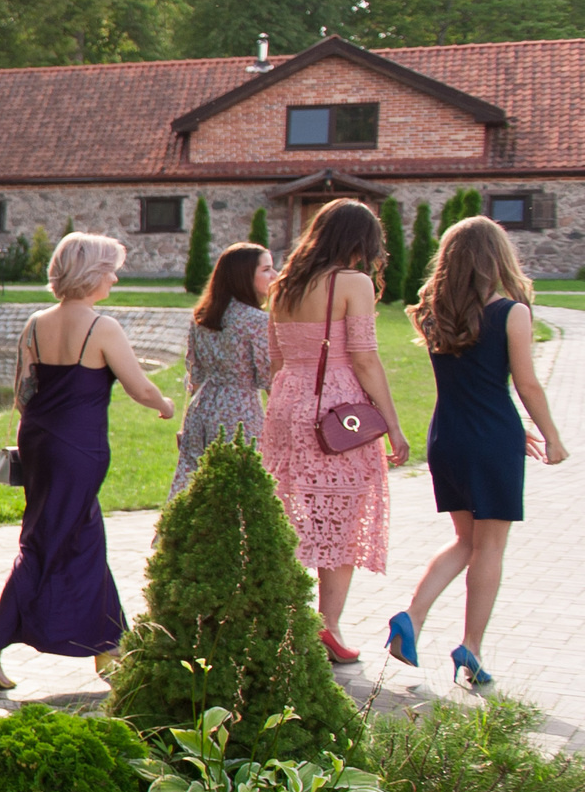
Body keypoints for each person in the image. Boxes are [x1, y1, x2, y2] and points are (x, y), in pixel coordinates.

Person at [0, 233, 174, 692]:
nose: (116, 277)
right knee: (48, 542)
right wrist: (164, 404)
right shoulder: (102, 327)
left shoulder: (35, 324)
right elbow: (139, 387)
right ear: (90, 274)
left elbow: (23, 392)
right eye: (110, 269)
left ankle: (109, 647)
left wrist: (43, 433)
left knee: (81, 537)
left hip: (41, 441)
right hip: (78, 450)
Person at [386, 217, 569, 689]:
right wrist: (551, 435)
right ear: (497, 258)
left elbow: (468, 384)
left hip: (447, 437)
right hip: (491, 438)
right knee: (489, 545)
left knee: (465, 541)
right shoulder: (512, 312)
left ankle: (411, 616)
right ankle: (471, 646)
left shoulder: (430, 313)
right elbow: (525, 384)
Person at [261, 199, 408, 662]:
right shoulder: (352, 283)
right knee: (340, 517)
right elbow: (363, 357)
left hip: (287, 402)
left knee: (292, 510)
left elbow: (276, 360)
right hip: (337, 408)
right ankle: (330, 626)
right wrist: (392, 426)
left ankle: (286, 617)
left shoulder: (283, 284)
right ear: (359, 241)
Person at [170, 242, 276, 499]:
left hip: (202, 409)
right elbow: (267, 378)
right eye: (267, 269)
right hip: (240, 410)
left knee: (194, 487)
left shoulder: (203, 316)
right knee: (238, 490)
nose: (275, 276)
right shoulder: (257, 321)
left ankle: (178, 538)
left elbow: (194, 376)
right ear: (244, 277)